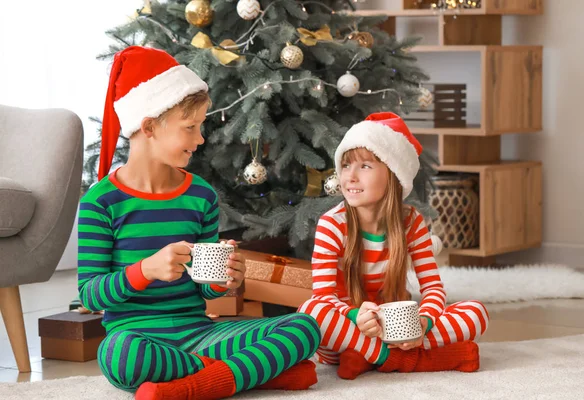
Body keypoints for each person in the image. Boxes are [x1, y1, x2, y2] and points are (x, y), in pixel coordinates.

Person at [78, 46, 321, 400]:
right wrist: (144, 270)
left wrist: (225, 281)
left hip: (202, 335)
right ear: (148, 127)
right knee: (118, 355)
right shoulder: (100, 202)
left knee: (304, 327)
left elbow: (206, 291)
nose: (200, 139)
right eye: (190, 128)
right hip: (140, 340)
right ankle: (247, 374)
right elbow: (89, 293)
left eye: (201, 127)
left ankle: (201, 383)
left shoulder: (201, 196)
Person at [298, 112, 489, 380]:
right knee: (311, 312)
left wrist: (424, 323)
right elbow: (323, 297)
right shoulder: (332, 224)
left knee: (476, 313)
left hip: (399, 332)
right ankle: (400, 359)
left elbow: (433, 288)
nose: (349, 176)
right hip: (349, 332)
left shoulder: (411, 222)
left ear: (393, 175)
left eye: (364, 166)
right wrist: (354, 315)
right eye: (345, 165)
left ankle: (373, 358)